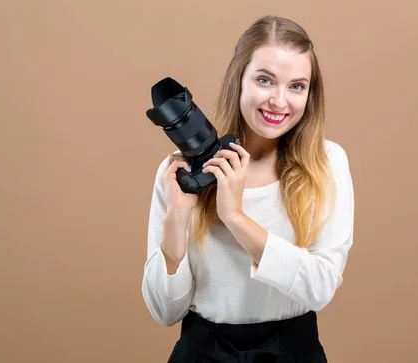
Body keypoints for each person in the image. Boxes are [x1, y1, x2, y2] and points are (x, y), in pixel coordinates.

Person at [141, 15, 355, 362]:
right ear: (238, 79)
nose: (279, 101)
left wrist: (235, 217)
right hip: (202, 353)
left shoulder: (326, 163)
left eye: (296, 86)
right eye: (265, 80)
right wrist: (177, 218)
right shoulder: (181, 173)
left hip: (293, 353)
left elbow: (320, 288)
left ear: (310, 94)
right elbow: (165, 312)